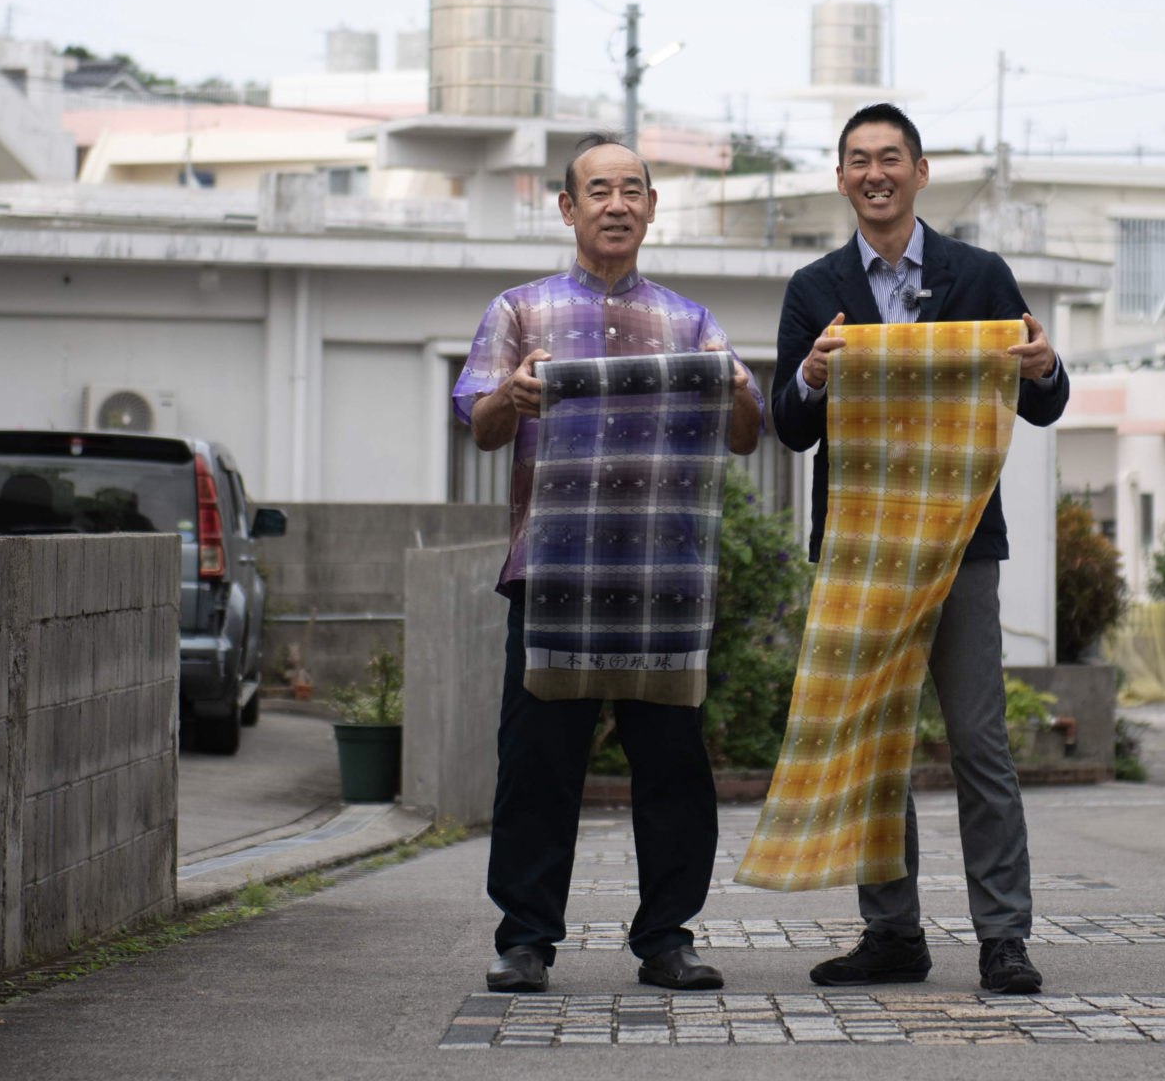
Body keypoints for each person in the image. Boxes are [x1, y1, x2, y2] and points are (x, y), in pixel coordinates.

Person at [454, 134, 766, 995]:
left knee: (673, 767)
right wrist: (511, 396)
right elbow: (478, 421)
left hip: (662, 582)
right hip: (549, 576)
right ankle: (525, 940)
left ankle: (666, 936)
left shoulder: (692, 323)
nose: (617, 204)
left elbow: (746, 432)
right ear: (567, 207)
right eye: (599, 190)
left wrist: (739, 390)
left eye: (633, 188)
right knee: (536, 766)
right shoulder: (518, 312)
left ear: (654, 206)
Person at [769, 102, 1069, 995]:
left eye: (890, 157)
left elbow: (1043, 401)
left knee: (979, 740)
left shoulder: (980, 276)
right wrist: (811, 376)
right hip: (860, 553)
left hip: (963, 544)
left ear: (920, 170)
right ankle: (891, 932)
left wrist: (1047, 366)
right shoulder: (814, 289)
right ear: (840, 178)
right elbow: (788, 428)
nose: (875, 173)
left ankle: (1004, 937)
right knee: (874, 745)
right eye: (858, 159)